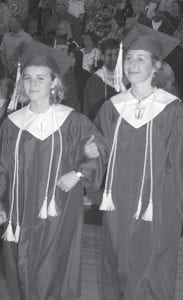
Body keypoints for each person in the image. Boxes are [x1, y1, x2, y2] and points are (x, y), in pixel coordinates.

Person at [94, 35, 183, 300]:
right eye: (128, 58)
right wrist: (86, 158)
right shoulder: (112, 109)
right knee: (117, 264)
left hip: (159, 206)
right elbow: (96, 152)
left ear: (156, 67)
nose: (131, 63)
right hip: (117, 204)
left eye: (140, 58)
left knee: (153, 270)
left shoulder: (175, 111)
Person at [0, 54, 106, 300]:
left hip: (58, 207)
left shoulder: (71, 120)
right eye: (27, 78)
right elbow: (2, 168)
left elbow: (98, 147)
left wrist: (79, 172)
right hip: (20, 208)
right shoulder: (12, 124)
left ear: (54, 83)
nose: (32, 83)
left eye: (40, 78)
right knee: (22, 266)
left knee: (52, 268)